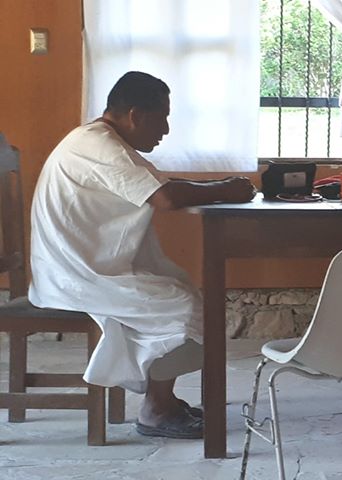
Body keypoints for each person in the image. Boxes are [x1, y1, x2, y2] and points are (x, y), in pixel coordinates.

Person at [28, 71, 257, 439]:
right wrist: (225, 189)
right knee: (182, 307)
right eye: (161, 117)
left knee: (181, 291)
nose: (165, 129)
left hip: (79, 268)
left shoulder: (98, 141)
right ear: (135, 115)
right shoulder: (100, 145)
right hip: (75, 276)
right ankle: (156, 409)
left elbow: (161, 186)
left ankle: (161, 397)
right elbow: (165, 198)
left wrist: (220, 187)